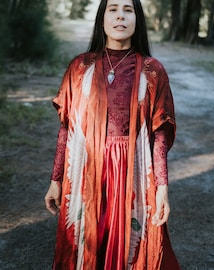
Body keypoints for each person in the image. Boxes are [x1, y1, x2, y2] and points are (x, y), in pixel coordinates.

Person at [44, 0, 180, 269]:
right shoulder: (80, 67)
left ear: (137, 18)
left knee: (132, 247)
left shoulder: (153, 71)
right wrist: (56, 179)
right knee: (88, 246)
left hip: (133, 174)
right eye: (113, 9)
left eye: (128, 10)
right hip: (87, 171)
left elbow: (159, 135)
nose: (120, 16)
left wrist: (162, 187)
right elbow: (67, 128)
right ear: (102, 18)